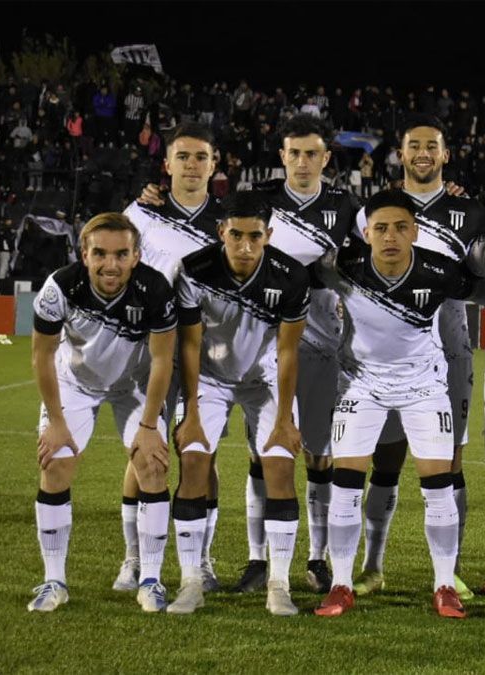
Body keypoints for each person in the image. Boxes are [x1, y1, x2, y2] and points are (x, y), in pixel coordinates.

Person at [311, 189, 479, 619]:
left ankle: (444, 585)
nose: (391, 237)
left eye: (401, 228)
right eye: (381, 228)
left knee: (438, 488)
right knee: (346, 486)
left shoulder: (441, 271)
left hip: (424, 385)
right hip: (361, 384)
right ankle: (342, 584)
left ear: (415, 232)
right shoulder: (343, 267)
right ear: (366, 233)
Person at [348, 115, 485, 600]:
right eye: (414, 146)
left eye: (433, 145)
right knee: (384, 460)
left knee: (449, 462)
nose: (423, 153)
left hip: (451, 349)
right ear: (401, 154)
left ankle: (451, 571)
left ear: (446, 154)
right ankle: (371, 565)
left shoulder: (469, 212)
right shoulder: (377, 210)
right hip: (388, 354)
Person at [169, 191, 311, 616]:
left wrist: (284, 419)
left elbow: (288, 352)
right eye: (236, 235)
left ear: (268, 235)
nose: (245, 246)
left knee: (280, 466)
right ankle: (191, 581)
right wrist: (191, 413)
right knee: (194, 460)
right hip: (210, 379)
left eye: (255, 236)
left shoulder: (291, 276)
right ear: (221, 233)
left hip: (264, 379)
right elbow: (189, 345)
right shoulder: (194, 270)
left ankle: (278, 584)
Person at [27, 213, 177, 613]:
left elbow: (163, 360)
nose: (111, 264)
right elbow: (41, 356)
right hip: (74, 386)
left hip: (134, 386)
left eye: (121, 254)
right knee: (55, 466)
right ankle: (53, 581)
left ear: (136, 256)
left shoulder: (155, 288)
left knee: (154, 464)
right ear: (84, 254)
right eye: (100, 254)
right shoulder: (60, 287)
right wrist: (57, 422)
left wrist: (148, 425)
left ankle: (151, 579)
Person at [242, 114, 362, 595]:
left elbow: (371, 252)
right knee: (261, 454)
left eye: (313, 153)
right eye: (295, 153)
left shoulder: (346, 205)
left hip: (321, 345)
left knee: (319, 454)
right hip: (263, 342)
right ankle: (257, 559)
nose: (303, 161)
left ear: (326, 159)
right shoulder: (261, 203)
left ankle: (319, 558)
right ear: (282, 156)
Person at [118, 123, 226, 594]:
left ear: (214, 165)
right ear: (167, 165)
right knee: (147, 449)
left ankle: (201, 558)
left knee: (202, 453)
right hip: (150, 347)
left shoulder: (224, 224)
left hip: (205, 350)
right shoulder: (140, 213)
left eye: (200, 157)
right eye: (183, 157)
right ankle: (133, 558)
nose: (191, 166)